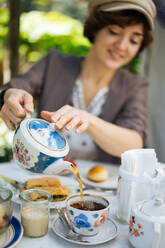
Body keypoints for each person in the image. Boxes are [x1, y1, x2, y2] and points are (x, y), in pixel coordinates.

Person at [0, 0, 156, 164]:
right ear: (95, 29)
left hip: (97, 188)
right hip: (38, 180)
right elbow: (11, 90)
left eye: (134, 40)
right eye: (114, 31)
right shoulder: (54, 64)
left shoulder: (134, 85)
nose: (122, 46)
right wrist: (9, 95)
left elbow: (134, 143)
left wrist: (88, 120)